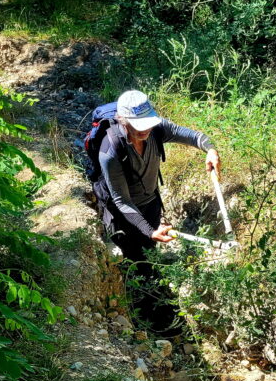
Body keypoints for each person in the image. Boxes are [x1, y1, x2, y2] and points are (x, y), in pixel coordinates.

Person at [92, 90, 221, 334]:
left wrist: (210, 150)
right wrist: (150, 231)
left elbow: (194, 136)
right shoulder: (110, 151)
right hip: (122, 212)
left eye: (148, 124)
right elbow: (121, 200)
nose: (145, 130)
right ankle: (143, 318)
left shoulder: (157, 128)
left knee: (148, 255)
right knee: (132, 260)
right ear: (123, 121)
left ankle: (157, 305)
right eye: (138, 125)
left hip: (150, 202)